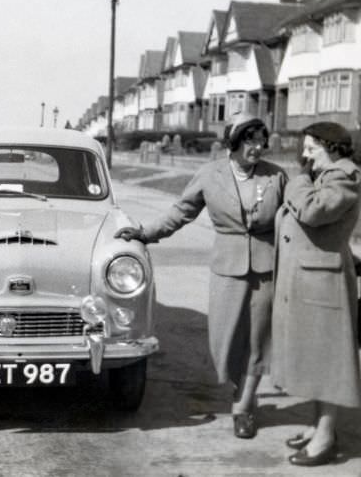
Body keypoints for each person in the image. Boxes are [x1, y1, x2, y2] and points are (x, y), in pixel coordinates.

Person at [116, 112, 287, 438]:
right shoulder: (211, 175)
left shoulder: (276, 176)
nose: (259, 146)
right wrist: (145, 233)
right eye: (251, 140)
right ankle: (238, 388)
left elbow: (299, 217)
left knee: (258, 339)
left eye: (261, 140)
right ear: (234, 142)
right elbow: (182, 211)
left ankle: (244, 405)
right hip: (227, 268)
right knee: (226, 340)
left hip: (267, 269)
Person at [271, 122, 361, 467]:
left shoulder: (344, 177)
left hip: (324, 284)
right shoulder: (326, 176)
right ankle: (317, 426)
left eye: (312, 148)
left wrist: (297, 179)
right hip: (313, 280)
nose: (305, 155)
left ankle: (326, 438)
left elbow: (312, 211)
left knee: (329, 363)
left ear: (333, 148)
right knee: (316, 360)